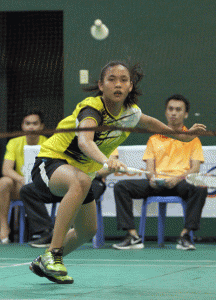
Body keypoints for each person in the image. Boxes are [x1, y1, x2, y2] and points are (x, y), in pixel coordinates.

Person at [28, 61, 206, 284]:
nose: (118, 84)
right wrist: (105, 160)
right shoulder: (91, 109)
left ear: (131, 86)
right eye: (111, 79)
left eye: (123, 80)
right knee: (81, 180)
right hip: (52, 163)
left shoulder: (130, 114)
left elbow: (154, 125)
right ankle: (53, 254)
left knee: (87, 231)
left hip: (82, 174)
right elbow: (84, 141)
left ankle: (44, 261)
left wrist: (182, 136)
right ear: (101, 85)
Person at [112, 94, 207, 250]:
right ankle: (133, 236)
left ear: (185, 114)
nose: (173, 113)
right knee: (121, 186)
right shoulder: (154, 139)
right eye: (170, 109)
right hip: (156, 182)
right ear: (165, 112)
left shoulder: (192, 139)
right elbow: (149, 168)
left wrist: (177, 179)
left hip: (180, 182)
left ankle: (185, 235)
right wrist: (152, 177)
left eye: (178, 109)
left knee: (200, 187)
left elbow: (195, 169)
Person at [20, 149, 119, 248]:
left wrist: (89, 174)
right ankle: (46, 232)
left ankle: (68, 235)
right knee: (28, 191)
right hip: (67, 179)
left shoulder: (109, 140)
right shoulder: (73, 139)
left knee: (81, 186)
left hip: (93, 180)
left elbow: (110, 167)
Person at [0, 109, 47, 244]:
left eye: (35, 123)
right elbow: (6, 169)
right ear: (22, 125)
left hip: (41, 188)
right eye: (27, 123)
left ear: (41, 126)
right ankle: (3, 227)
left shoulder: (47, 144)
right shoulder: (14, 143)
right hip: (20, 186)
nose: (31, 127)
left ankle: (45, 230)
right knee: (4, 182)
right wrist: (21, 179)